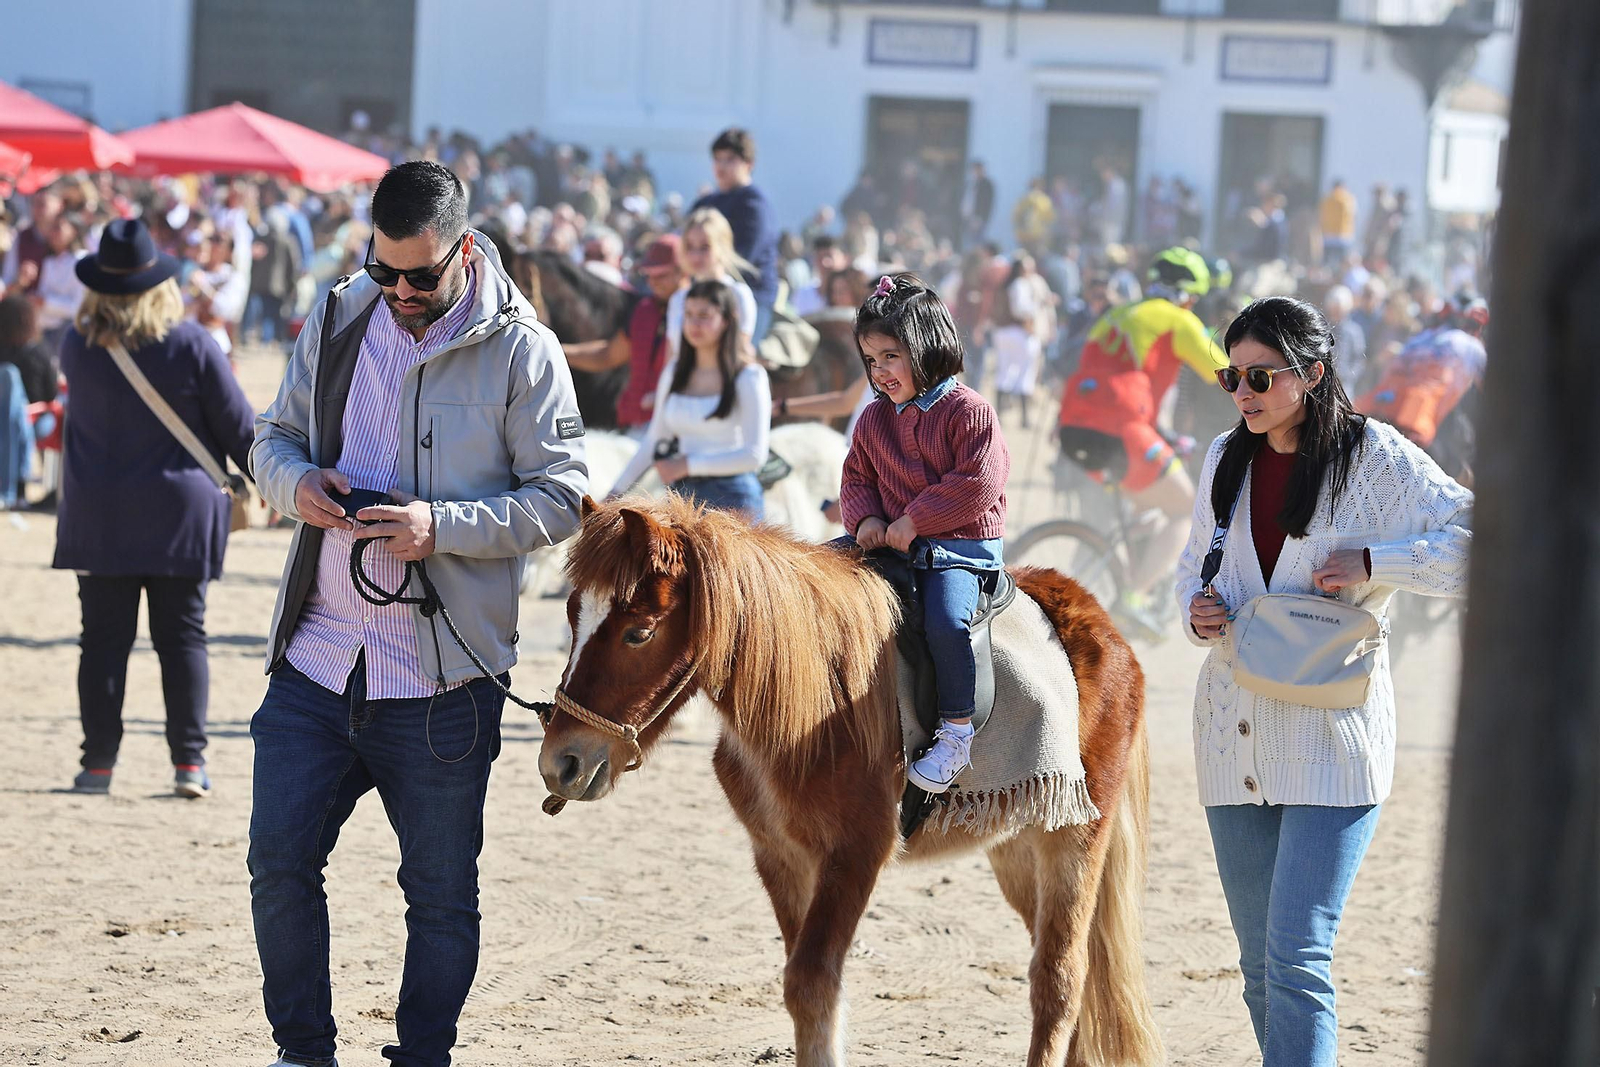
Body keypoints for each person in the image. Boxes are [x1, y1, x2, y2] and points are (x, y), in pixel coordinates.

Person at [248, 160, 588, 1067]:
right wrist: (296, 484)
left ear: (465, 250)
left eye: (420, 276)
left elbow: (563, 497)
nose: (399, 290)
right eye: (383, 268)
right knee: (277, 866)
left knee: (439, 899)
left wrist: (442, 527)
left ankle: (423, 1056)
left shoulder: (524, 349)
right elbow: (272, 439)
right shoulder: (337, 314)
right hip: (316, 661)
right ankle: (301, 1053)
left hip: (446, 682)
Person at [1176, 295, 1472, 1067]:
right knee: (1258, 968)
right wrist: (1196, 610)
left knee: (1297, 957)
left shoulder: (1375, 456)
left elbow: (1479, 540)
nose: (1243, 392)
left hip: (1334, 743)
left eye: (1260, 376)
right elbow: (1192, 567)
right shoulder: (1224, 455)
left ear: (1310, 374)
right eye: (1232, 376)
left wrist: (1381, 562)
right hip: (1232, 736)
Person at [52, 219, 256, 796]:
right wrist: (281, 479)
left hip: (100, 516)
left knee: (102, 642)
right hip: (179, 513)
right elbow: (240, 430)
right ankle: (189, 762)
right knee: (183, 637)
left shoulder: (77, 346)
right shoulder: (192, 344)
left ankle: (97, 765)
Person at [838, 273, 1010, 793]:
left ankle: (956, 731)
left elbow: (977, 482)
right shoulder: (873, 420)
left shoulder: (970, 411)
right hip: (895, 542)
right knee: (816, 574)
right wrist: (866, 520)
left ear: (927, 346)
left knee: (946, 621)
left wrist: (914, 521)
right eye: (871, 360)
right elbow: (856, 477)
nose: (879, 371)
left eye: (891, 356)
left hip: (959, 547)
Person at [1056, 247, 1227, 636]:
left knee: (1147, 505)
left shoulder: (1116, 314)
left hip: (1074, 426)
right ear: (1188, 295)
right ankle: (1133, 596)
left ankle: (1112, 570)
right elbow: (1222, 372)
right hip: (1123, 430)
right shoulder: (1178, 319)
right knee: (1185, 509)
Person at [611, 279, 770, 518]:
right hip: (682, 497)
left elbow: (754, 456)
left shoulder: (749, 376)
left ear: (727, 320)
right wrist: (614, 493)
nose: (694, 323)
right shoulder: (675, 372)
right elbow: (655, 439)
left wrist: (687, 465)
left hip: (734, 500)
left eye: (704, 315)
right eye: (688, 315)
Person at [562, 233, 688, 435]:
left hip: (679, 429)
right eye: (649, 275)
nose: (653, 282)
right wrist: (556, 351)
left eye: (661, 275)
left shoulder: (697, 314)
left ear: (684, 271)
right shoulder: (645, 311)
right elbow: (608, 355)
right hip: (638, 426)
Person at [1357, 291, 1488, 485]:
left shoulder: (1421, 337)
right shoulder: (1472, 346)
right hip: (1417, 423)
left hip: (1376, 410)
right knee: (1461, 479)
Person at [690, 128, 779, 344]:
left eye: (730, 159)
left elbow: (741, 259)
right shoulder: (705, 203)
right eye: (717, 159)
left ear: (749, 164)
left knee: (736, 355)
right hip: (706, 293)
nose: (721, 166)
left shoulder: (754, 204)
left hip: (750, 296)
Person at [667, 207, 757, 357]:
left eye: (705, 247)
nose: (696, 256)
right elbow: (671, 357)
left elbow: (740, 354)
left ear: (722, 246)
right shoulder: (678, 299)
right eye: (690, 247)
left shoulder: (738, 295)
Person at [990, 251, 1055, 427]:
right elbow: (1022, 309)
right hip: (1019, 331)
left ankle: (999, 414)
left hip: (1002, 332)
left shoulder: (1004, 285)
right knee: (1025, 374)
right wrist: (1040, 306)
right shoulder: (1020, 284)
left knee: (1004, 372)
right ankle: (1024, 418)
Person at [1318, 179, 1358, 268]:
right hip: (1343, 235)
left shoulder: (1327, 199)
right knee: (1342, 262)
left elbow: (1321, 216)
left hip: (1328, 235)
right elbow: (1353, 216)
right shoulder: (1348, 199)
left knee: (1326, 261)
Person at [960, 160, 995, 249]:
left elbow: (987, 204)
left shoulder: (987, 185)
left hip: (977, 218)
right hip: (966, 217)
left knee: (977, 242)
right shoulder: (969, 183)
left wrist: (980, 218)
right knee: (966, 241)